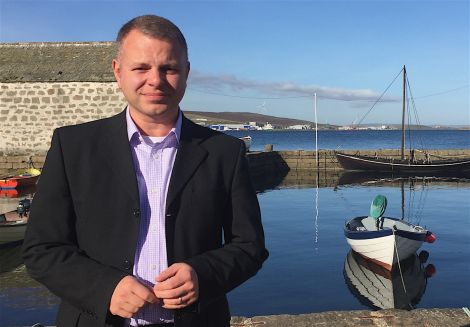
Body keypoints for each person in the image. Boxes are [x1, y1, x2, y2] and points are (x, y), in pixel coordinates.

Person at [22, 15, 268, 327]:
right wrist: (105, 288)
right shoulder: (72, 146)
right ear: (118, 72)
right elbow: (41, 249)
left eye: (169, 68)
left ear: (186, 73)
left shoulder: (225, 152)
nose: (155, 80)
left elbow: (249, 246)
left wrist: (202, 275)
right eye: (141, 68)